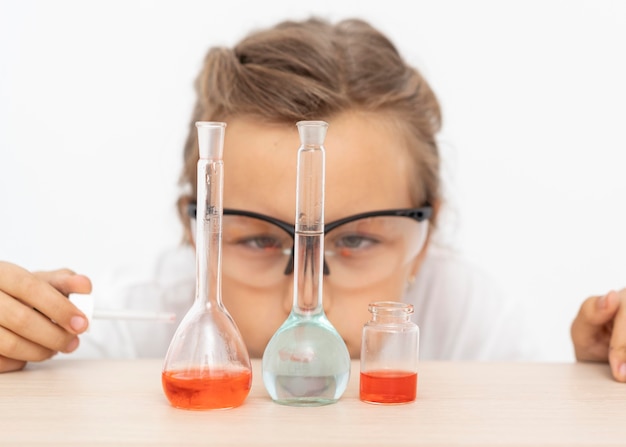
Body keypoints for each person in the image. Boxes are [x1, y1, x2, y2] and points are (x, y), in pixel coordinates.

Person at [0, 17, 624, 381]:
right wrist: (16, 336)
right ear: (197, 233)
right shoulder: (148, 317)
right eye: (259, 238)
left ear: (424, 241)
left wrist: (598, 371)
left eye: (354, 239)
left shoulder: (467, 318)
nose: (310, 293)